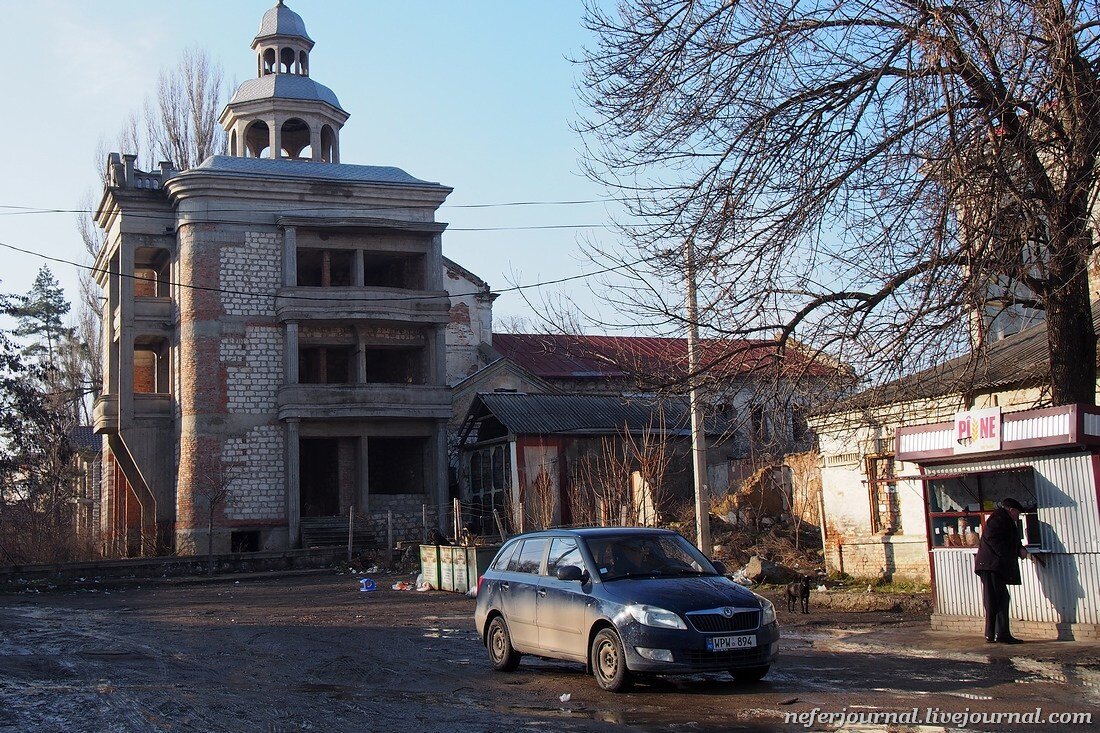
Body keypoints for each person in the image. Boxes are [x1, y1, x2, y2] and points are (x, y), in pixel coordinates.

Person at [973, 498, 1040, 644]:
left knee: (998, 599)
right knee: (996, 599)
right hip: (991, 565)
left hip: (992, 565)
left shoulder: (1003, 519)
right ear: (1012, 510)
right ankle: (996, 634)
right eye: (1017, 513)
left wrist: (1019, 548)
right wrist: (1011, 552)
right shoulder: (999, 519)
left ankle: (996, 633)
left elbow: (1011, 539)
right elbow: (995, 540)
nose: (1018, 516)